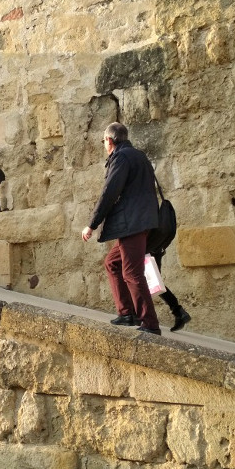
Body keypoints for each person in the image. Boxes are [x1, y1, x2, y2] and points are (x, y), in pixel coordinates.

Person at [82, 122, 161, 335]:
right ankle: (127, 313)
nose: (104, 145)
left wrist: (92, 224)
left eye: (103, 141)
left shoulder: (122, 158)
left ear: (109, 140)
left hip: (132, 224)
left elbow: (109, 192)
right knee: (112, 263)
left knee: (132, 272)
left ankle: (150, 323)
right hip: (142, 221)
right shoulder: (139, 155)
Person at [153, 249, 192, 332]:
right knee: (154, 283)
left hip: (148, 250)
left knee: (139, 280)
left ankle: (134, 315)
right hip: (154, 249)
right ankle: (179, 312)